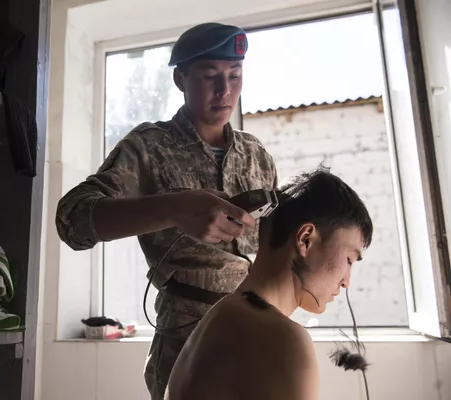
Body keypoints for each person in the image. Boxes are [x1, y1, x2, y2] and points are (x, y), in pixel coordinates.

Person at [55, 22, 278, 400]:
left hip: (254, 325)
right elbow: (73, 220)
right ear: (180, 79)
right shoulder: (149, 147)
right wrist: (174, 208)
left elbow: (273, 245)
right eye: (210, 76)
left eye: (234, 75)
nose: (225, 90)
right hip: (186, 334)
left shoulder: (256, 154)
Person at [165, 167, 373, 400]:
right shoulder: (281, 339)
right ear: (305, 239)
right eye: (349, 260)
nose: (346, 282)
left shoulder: (222, 315)